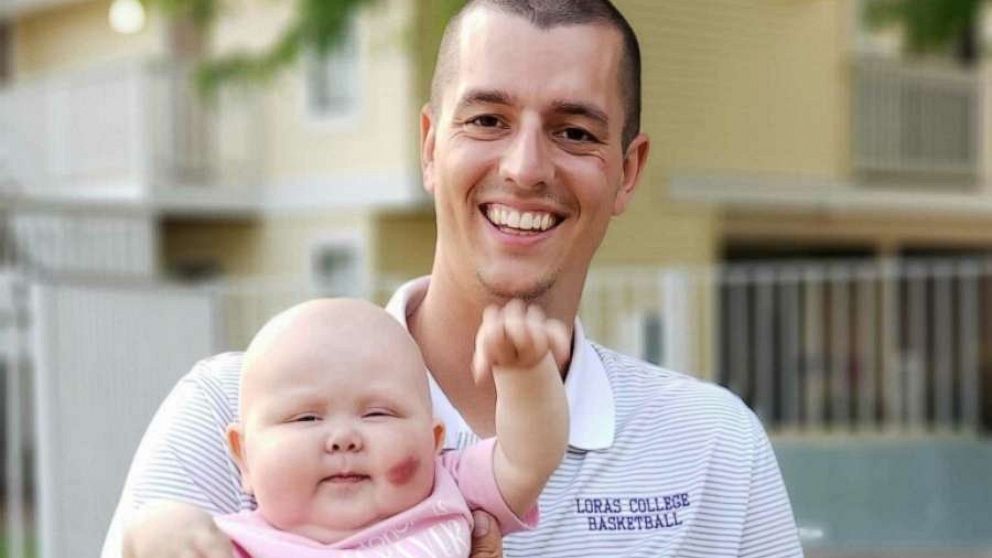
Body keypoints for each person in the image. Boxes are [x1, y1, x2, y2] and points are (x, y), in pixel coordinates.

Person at [104, 0, 805, 556]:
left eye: (576, 132)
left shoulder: (715, 448)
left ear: (629, 171)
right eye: (488, 119)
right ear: (430, 147)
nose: (526, 167)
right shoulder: (231, 412)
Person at [213, 298, 568, 556]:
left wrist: (525, 376)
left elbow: (528, 459)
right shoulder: (225, 545)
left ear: (433, 443)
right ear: (244, 456)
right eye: (306, 418)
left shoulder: (447, 488)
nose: (343, 439)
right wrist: (163, 529)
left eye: (377, 414)